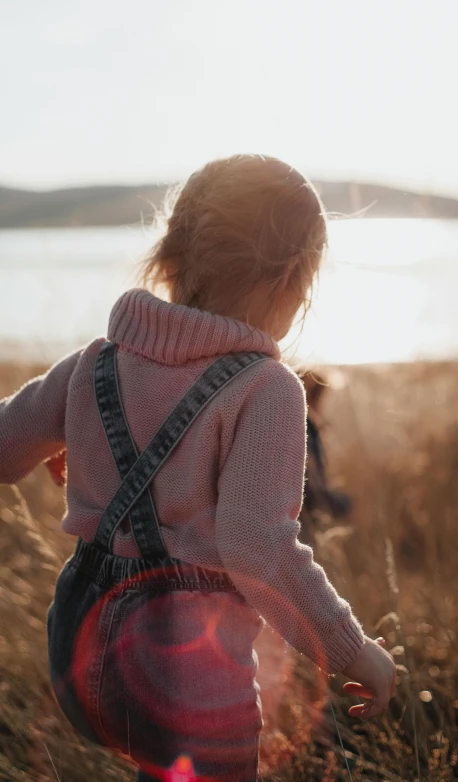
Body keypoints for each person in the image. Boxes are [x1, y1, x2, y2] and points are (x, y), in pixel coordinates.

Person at [0, 155, 396, 781]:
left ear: (170, 257)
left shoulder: (92, 365)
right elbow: (254, 547)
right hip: (192, 684)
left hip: (83, 659)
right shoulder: (267, 390)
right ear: (293, 278)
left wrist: (70, 439)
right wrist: (352, 650)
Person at [300, 372, 352, 548]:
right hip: (302, 526)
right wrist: (344, 504)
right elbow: (310, 488)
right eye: (320, 397)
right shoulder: (306, 429)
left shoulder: (296, 426)